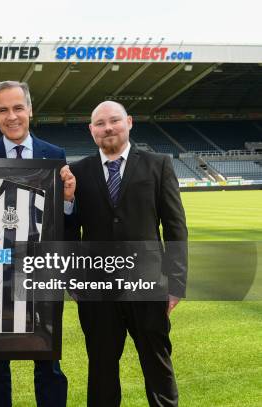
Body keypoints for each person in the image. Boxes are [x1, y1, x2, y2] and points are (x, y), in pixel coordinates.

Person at [70, 101, 187, 407]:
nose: (108, 128)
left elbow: (175, 226)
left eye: (114, 121)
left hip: (148, 286)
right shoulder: (77, 171)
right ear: (91, 130)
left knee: (157, 364)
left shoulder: (157, 164)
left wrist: (176, 283)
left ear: (130, 122)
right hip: (97, 291)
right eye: (100, 123)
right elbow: (69, 231)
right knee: (101, 369)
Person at [0, 80, 75, 407]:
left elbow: (63, 222)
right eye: (3, 110)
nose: (11, 116)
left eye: (18, 108)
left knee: (48, 363)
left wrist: (69, 200)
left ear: (30, 109)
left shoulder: (54, 155)